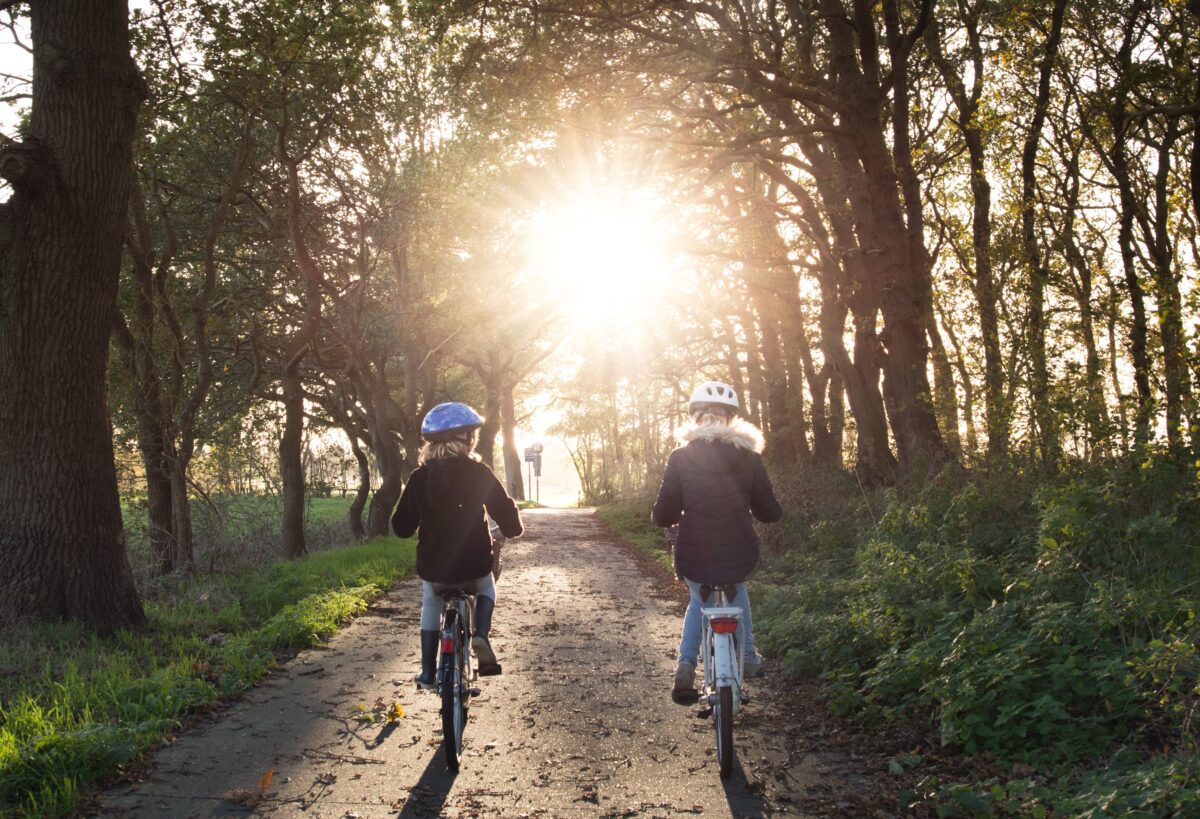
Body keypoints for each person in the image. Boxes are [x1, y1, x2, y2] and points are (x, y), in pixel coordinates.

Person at [651, 381, 783, 703]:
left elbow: (664, 512)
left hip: (693, 550)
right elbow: (769, 512)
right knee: (738, 587)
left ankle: (685, 664)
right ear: (730, 419)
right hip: (738, 548)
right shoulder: (749, 457)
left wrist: (664, 518)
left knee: (699, 599)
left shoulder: (680, 457)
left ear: (695, 418)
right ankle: (748, 656)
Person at [392, 402, 523, 689]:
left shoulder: (418, 478)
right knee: (487, 587)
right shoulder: (480, 473)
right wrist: (511, 525)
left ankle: (428, 672)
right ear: (466, 439)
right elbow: (510, 522)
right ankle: (481, 635)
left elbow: (400, 528)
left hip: (435, 569)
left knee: (431, 600)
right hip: (474, 566)